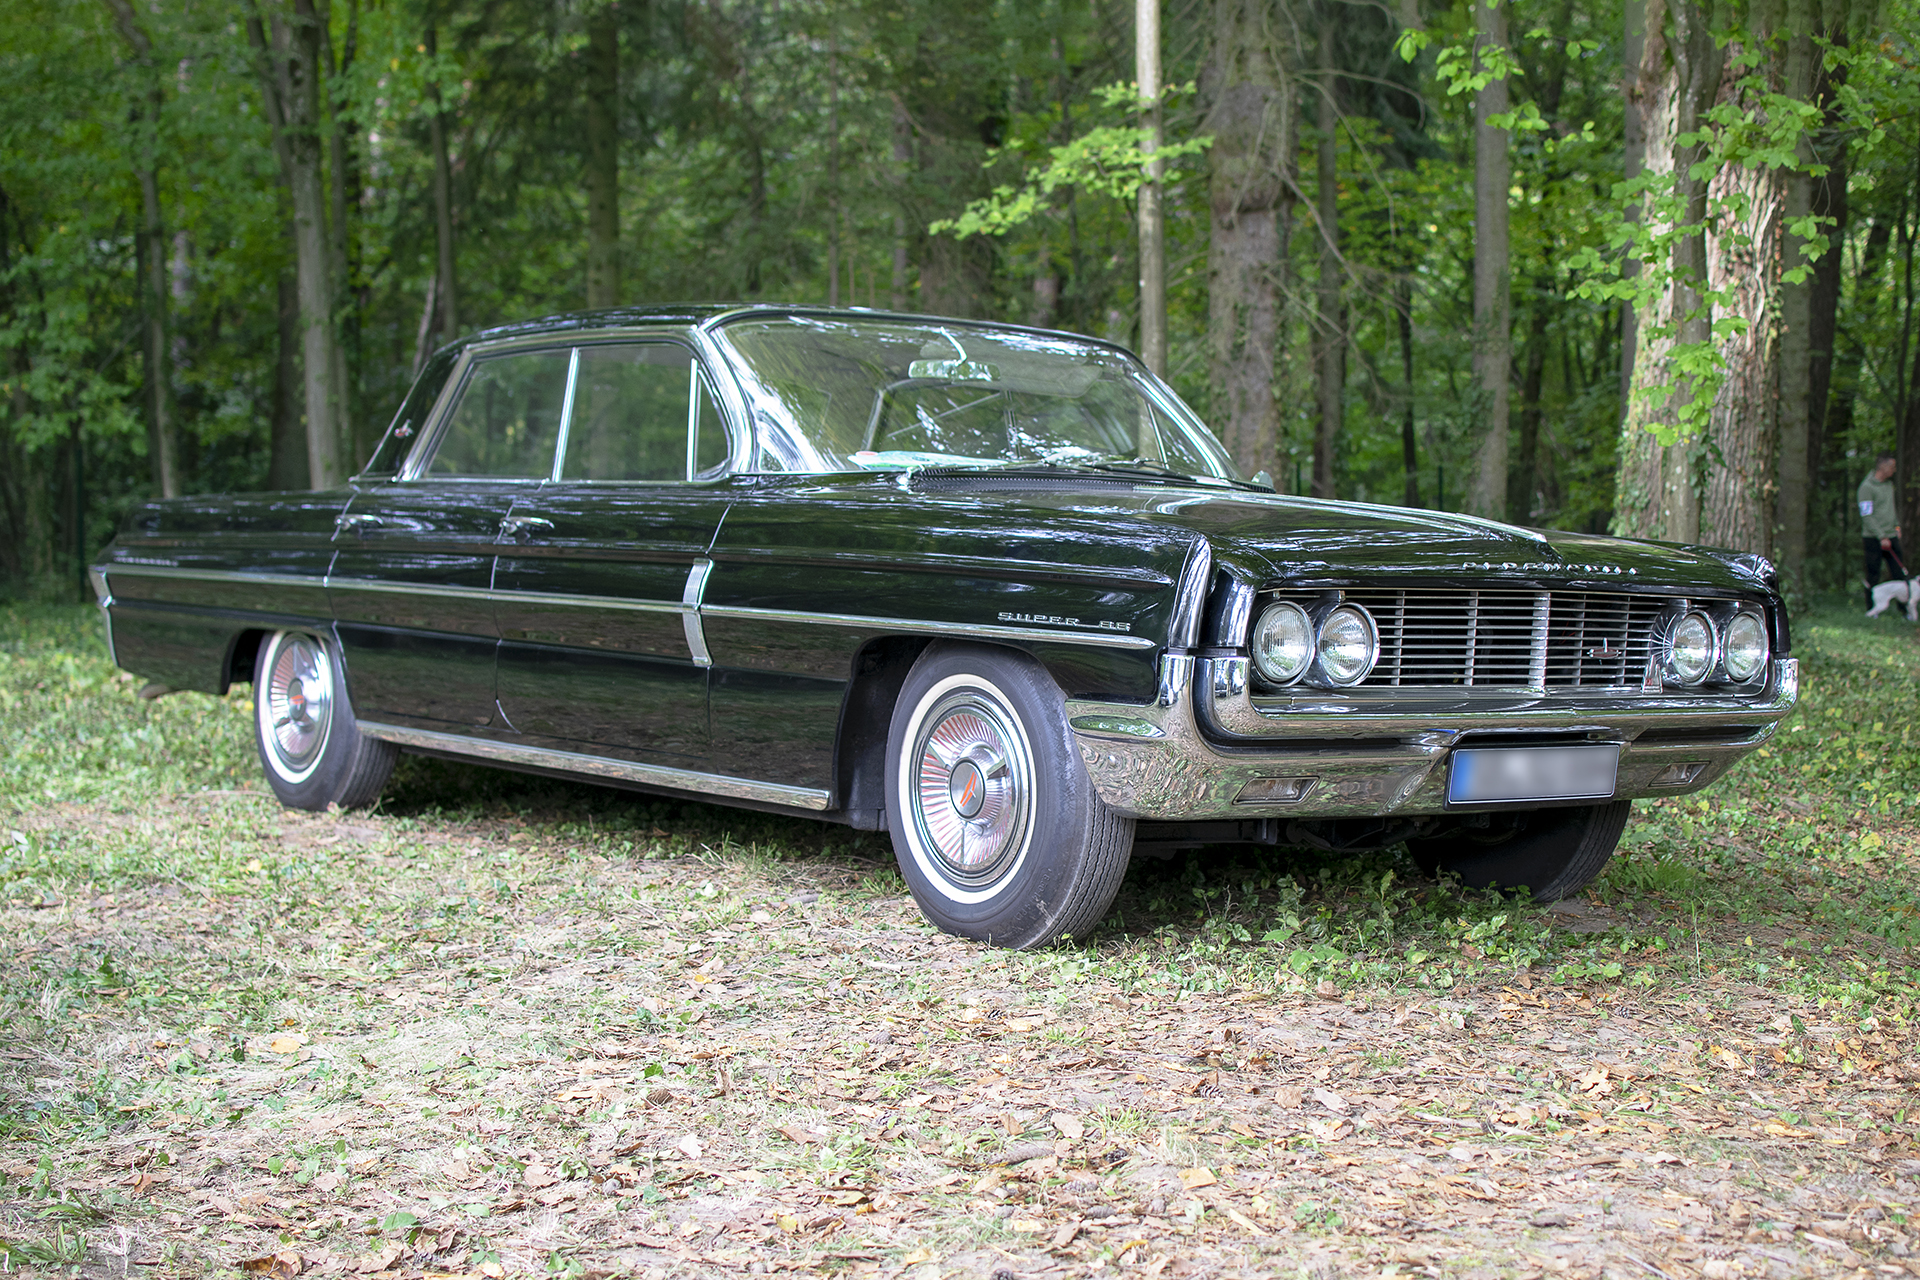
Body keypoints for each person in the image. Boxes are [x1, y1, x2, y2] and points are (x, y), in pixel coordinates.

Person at [1860, 451, 1905, 607]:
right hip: (1873, 538)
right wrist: (1881, 536)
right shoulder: (1866, 487)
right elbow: (1866, 515)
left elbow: (1891, 509)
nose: (1894, 470)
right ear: (1883, 467)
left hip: (1891, 535)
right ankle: (1871, 608)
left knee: (1898, 572)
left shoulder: (1888, 485)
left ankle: (1904, 608)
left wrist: (1896, 526)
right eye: (1892, 467)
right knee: (1873, 573)